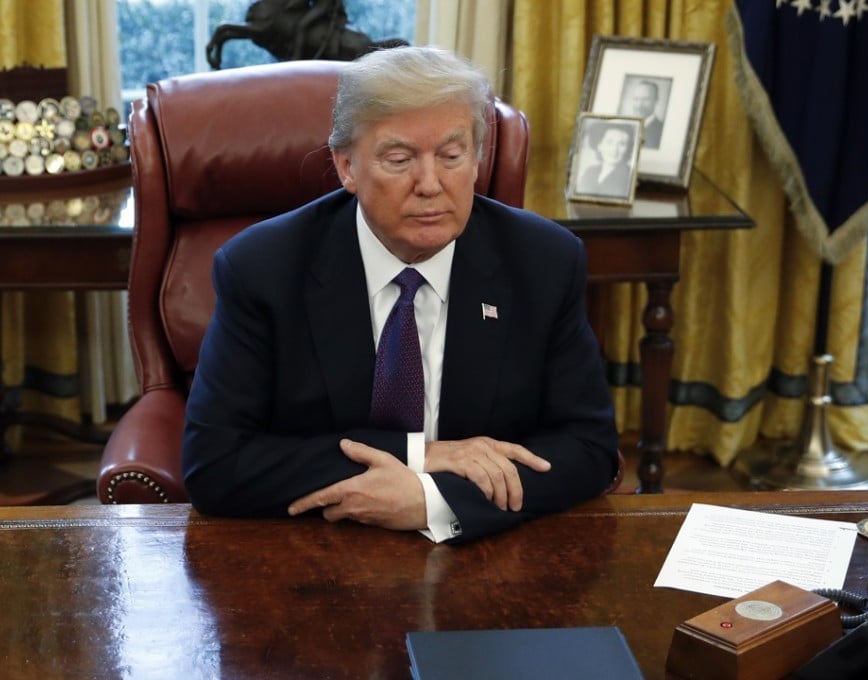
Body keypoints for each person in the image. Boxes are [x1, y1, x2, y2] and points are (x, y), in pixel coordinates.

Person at [181, 45, 619, 544]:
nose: (430, 184)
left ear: (477, 159)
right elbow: (215, 465)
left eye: (452, 156)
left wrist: (433, 499)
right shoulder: (263, 268)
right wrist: (421, 455)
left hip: (483, 553)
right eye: (399, 159)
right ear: (346, 166)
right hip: (313, 553)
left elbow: (588, 448)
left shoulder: (543, 261)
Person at [576, 120, 636, 199]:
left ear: (628, 148)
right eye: (609, 142)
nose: (614, 150)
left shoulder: (629, 176)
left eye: (622, 144)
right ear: (599, 145)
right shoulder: (590, 172)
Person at [620, 79, 663, 149]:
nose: (639, 105)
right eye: (636, 99)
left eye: (645, 99)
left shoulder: (662, 131)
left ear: (656, 101)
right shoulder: (623, 125)